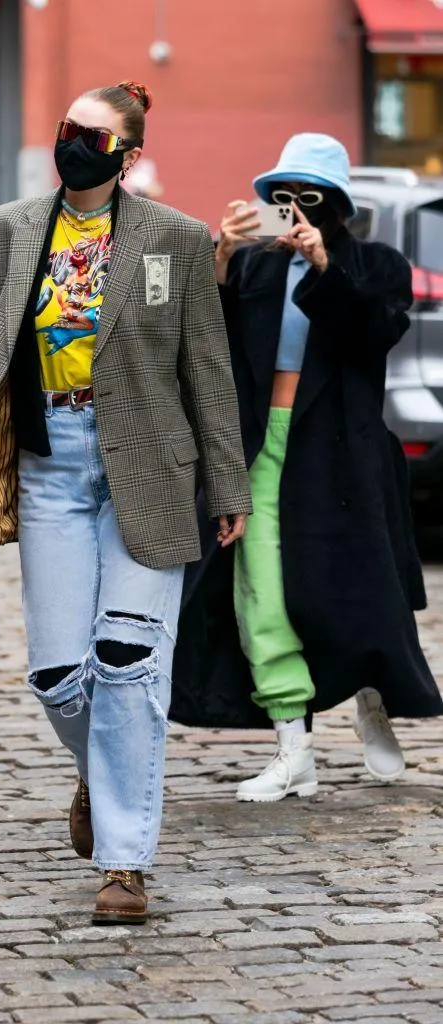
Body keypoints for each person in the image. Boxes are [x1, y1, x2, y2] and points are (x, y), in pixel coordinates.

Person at [0, 80, 251, 922]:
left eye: (94, 135)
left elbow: (207, 369)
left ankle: (123, 864)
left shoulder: (175, 239)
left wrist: (227, 483)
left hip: (149, 466)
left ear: (130, 155)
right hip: (51, 464)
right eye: (67, 127)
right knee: (55, 675)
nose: (73, 143)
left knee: (127, 662)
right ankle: (101, 772)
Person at [170, 133, 443, 801]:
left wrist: (324, 269)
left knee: (350, 593)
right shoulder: (254, 267)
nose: (293, 208)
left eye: (309, 197)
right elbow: (208, 343)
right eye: (281, 196)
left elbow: (373, 335)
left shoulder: (376, 264)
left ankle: (370, 694)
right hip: (262, 445)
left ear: (338, 205)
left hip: (341, 453)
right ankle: (292, 749)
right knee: (260, 592)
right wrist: (220, 258)